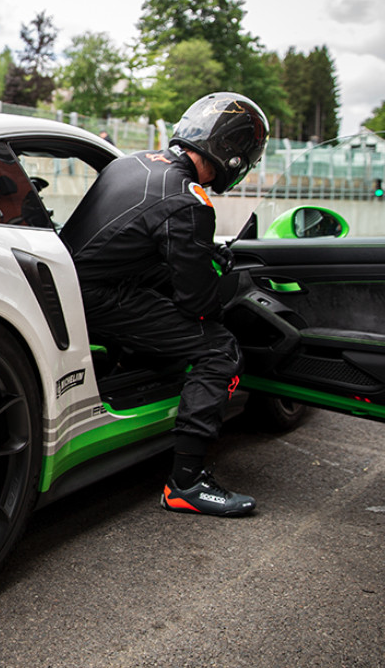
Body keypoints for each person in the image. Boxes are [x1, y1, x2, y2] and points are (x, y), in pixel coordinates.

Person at [59, 92, 269, 517]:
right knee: (218, 349)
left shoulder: (127, 164)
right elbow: (199, 304)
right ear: (233, 154)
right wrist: (215, 273)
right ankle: (186, 483)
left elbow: (129, 239)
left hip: (65, 282)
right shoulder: (187, 201)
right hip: (95, 297)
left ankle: (131, 369)